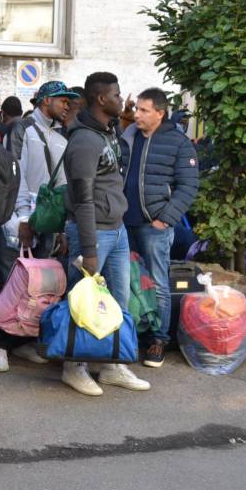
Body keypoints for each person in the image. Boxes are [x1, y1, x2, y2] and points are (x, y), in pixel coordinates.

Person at [62, 72, 150, 396]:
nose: (121, 98)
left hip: (117, 229)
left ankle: (112, 366)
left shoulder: (108, 131)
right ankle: (73, 367)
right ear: (101, 99)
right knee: (83, 303)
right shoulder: (84, 140)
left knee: (118, 303)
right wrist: (89, 250)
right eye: (116, 94)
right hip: (94, 234)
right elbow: (82, 198)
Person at [0, 81, 79, 371]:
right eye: (62, 100)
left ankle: (25, 342)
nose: (67, 105)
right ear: (45, 102)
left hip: (48, 220)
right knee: (11, 282)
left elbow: (63, 184)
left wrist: (62, 228)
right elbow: (15, 174)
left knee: (38, 287)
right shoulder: (23, 129)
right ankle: (0, 346)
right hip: (21, 218)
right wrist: (24, 220)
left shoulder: (63, 134)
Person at [120, 88, 200, 367]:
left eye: (143, 110)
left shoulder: (177, 142)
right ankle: (127, 336)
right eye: (136, 109)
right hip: (123, 225)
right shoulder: (127, 136)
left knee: (157, 282)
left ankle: (158, 340)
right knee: (124, 281)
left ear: (160, 113)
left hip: (155, 226)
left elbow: (188, 185)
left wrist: (165, 218)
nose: (136, 114)